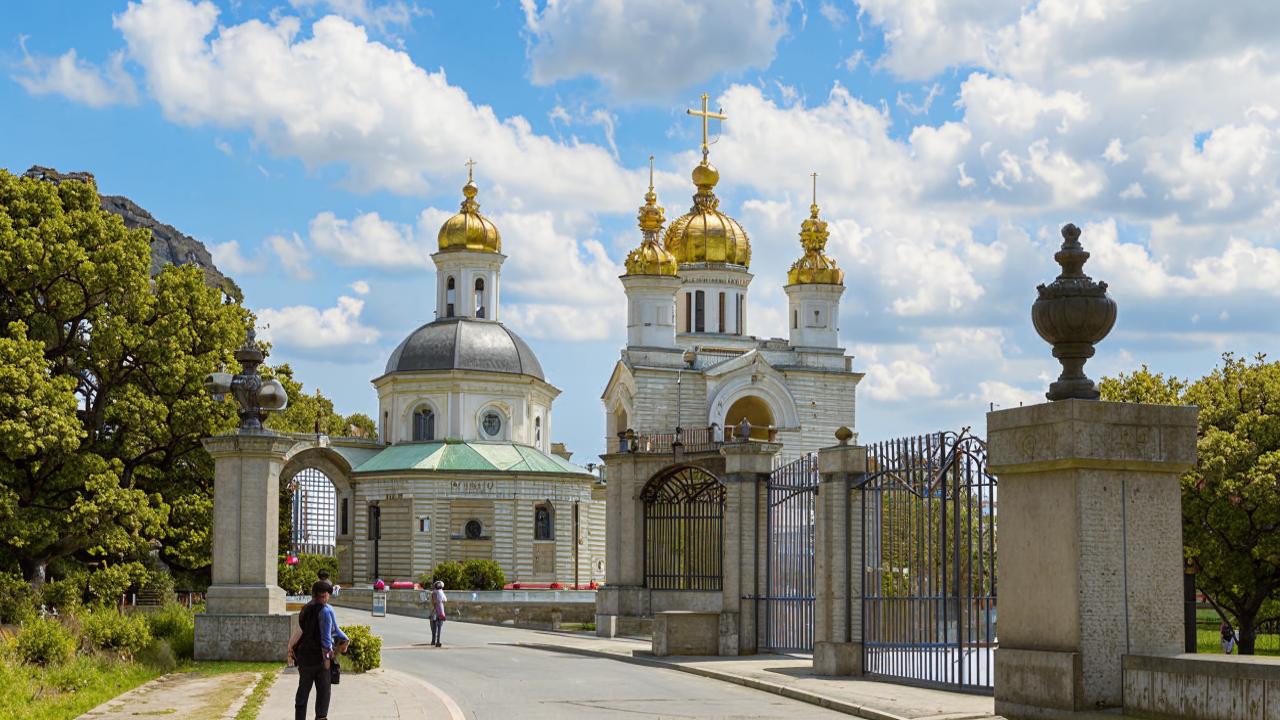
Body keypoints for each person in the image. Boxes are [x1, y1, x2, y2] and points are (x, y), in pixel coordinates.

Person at [288, 581, 349, 720]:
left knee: (302, 693)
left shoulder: (305, 609)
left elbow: (302, 630)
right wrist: (328, 658)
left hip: (304, 657)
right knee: (323, 694)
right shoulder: (326, 610)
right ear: (325, 595)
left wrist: (290, 649)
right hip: (320, 659)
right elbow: (328, 638)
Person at [429, 580, 447, 647]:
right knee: (439, 627)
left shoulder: (433, 593)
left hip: (434, 612)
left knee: (433, 627)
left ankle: (434, 641)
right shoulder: (441, 593)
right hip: (440, 613)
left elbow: (434, 602)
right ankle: (437, 641)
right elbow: (445, 600)